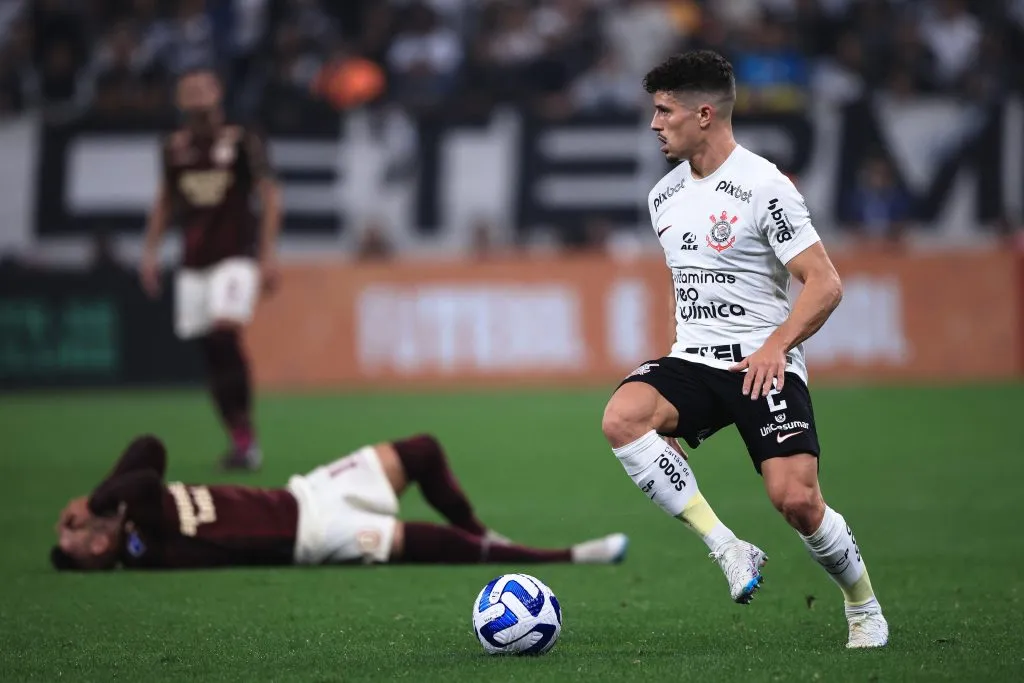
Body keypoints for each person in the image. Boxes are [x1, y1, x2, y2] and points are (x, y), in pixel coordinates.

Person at [600, 50, 887, 649]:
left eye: (664, 111)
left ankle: (863, 607)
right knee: (624, 418)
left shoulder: (765, 186)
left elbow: (825, 283)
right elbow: (700, 291)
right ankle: (728, 546)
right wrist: (667, 411)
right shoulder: (664, 198)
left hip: (764, 362)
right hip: (696, 358)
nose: (655, 124)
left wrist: (776, 346)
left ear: (704, 114)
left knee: (798, 501)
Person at [52, 433, 628, 571]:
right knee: (415, 545)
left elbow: (149, 449)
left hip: (307, 491)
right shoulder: (140, 538)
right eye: (74, 541)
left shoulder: (128, 516)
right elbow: (147, 467)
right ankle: (556, 556)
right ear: (97, 551)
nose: (75, 528)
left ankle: (486, 533)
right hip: (311, 535)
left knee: (421, 450)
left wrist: (101, 501)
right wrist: (101, 499)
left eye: (70, 527)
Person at [139, 68, 281, 471]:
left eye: (204, 87)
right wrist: (150, 252)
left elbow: (269, 195)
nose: (198, 94)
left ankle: (244, 434)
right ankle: (240, 436)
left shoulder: (241, 141)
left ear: (218, 94)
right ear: (180, 99)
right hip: (193, 262)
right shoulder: (174, 148)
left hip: (236, 255)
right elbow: (166, 200)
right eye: (190, 89)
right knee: (208, 349)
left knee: (223, 331)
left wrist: (268, 255)